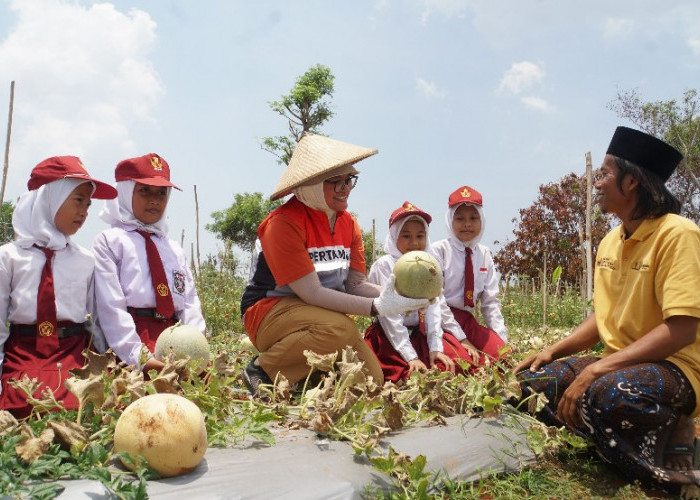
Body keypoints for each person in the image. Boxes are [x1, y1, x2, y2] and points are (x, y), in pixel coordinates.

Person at [514, 126, 700, 491]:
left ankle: (673, 457)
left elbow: (681, 329)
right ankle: (614, 432)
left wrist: (597, 369)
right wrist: (552, 351)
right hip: (620, 363)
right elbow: (603, 318)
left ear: (631, 182)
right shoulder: (611, 241)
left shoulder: (678, 235)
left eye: (603, 174)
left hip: (676, 367)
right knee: (535, 382)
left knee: (606, 395)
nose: (596, 183)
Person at [240, 133, 429, 396]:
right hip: (268, 312)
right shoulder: (283, 223)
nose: (345, 189)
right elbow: (311, 293)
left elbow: (355, 284)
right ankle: (262, 369)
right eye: (335, 181)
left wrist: (398, 293)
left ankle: (305, 377)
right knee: (341, 328)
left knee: (370, 383)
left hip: (321, 317)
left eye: (349, 180)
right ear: (309, 185)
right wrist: (376, 307)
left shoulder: (348, 223)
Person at [0, 156, 117, 418]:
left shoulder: (86, 260)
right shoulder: (8, 257)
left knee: (80, 412)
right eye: (78, 200)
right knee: (20, 407)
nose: (84, 211)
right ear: (49, 198)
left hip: (73, 356)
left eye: (88, 203)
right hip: (23, 355)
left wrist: (106, 369)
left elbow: (94, 322)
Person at [93, 153, 205, 374]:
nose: (155, 200)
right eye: (145, 191)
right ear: (125, 192)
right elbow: (110, 308)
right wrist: (139, 357)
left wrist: (197, 344)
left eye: (162, 193)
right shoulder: (111, 241)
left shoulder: (173, 248)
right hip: (133, 339)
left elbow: (190, 302)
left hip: (177, 340)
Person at [364, 201, 480, 383]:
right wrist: (411, 357)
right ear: (394, 237)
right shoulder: (385, 266)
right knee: (408, 376)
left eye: (420, 236)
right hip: (390, 337)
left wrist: (437, 346)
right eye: (406, 236)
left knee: (457, 365)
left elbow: (436, 306)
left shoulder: (428, 265)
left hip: (420, 335)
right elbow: (389, 317)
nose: (414, 243)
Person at [430, 186, 507, 366]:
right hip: (439, 319)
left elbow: (490, 303)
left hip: (467, 320)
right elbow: (436, 299)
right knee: (461, 362)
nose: (467, 224)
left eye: (473, 218)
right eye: (460, 218)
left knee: (504, 356)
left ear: (482, 220)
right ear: (450, 221)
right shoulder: (438, 251)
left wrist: (502, 339)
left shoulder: (484, 254)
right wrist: (461, 338)